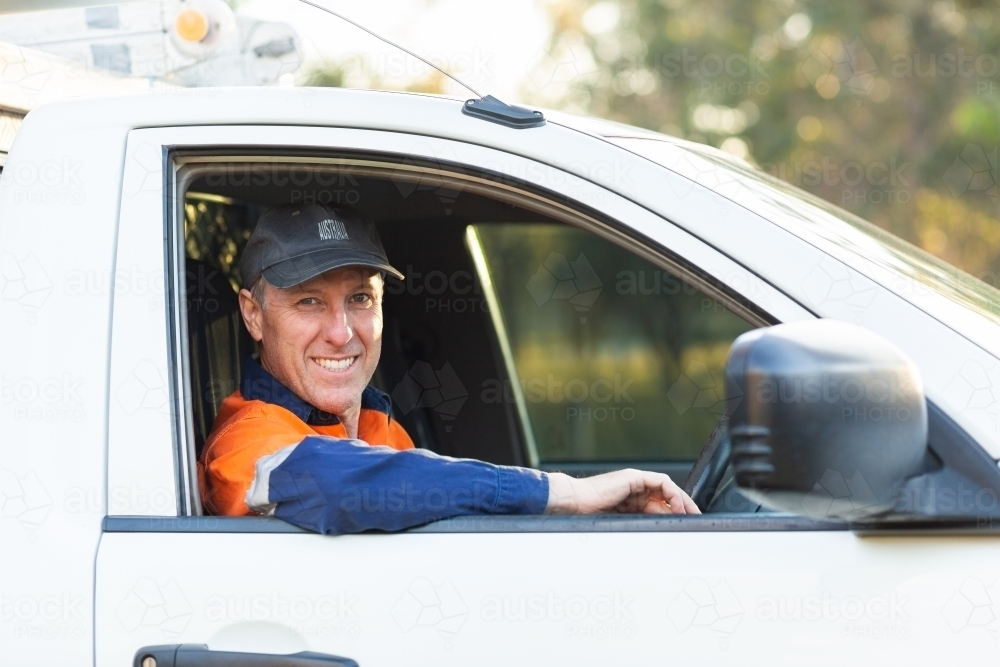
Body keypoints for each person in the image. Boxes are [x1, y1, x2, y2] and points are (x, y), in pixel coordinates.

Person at [198, 202, 700, 533]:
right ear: (253, 315)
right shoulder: (246, 439)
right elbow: (334, 483)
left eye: (359, 298)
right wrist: (567, 494)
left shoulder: (375, 424)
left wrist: (601, 513)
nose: (342, 331)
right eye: (308, 302)